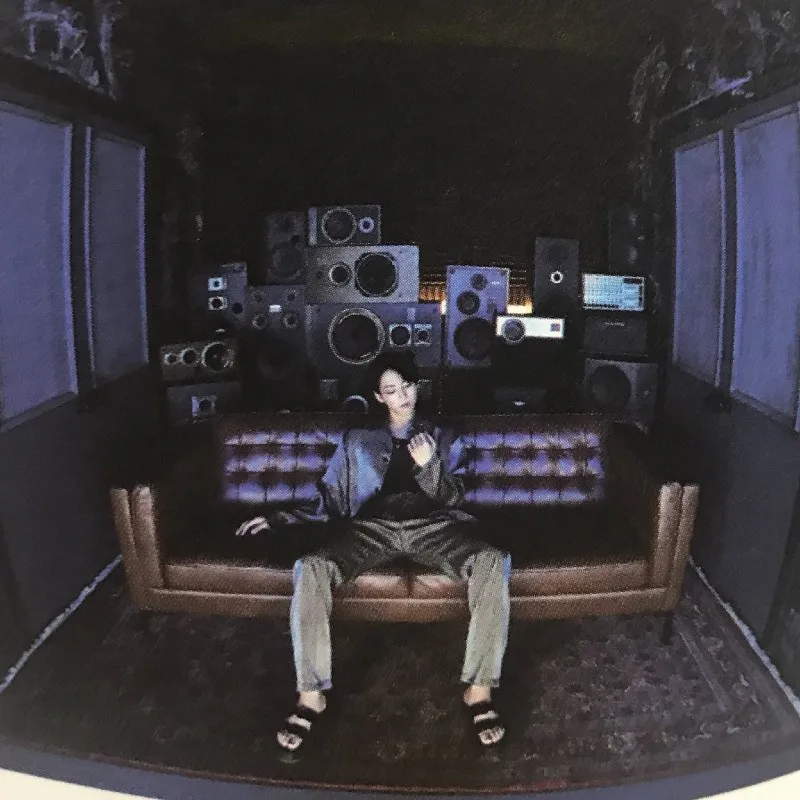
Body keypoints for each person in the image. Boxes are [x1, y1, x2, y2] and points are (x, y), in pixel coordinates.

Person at [235, 351, 511, 758]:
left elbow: (455, 497)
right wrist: (278, 518)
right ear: (379, 397)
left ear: (417, 386)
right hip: (371, 529)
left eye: (408, 386)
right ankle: (311, 696)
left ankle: (479, 690)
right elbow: (330, 496)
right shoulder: (357, 440)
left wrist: (430, 465)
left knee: (493, 560)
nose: (403, 396)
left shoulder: (445, 435)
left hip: (433, 526)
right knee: (311, 567)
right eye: (391, 390)